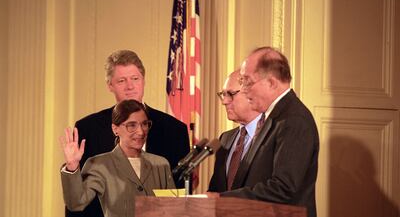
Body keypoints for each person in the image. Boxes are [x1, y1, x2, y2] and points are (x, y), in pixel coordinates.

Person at [67, 50, 190, 217]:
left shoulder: (175, 130)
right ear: (110, 85)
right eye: (121, 81)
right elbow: (77, 199)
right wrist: (71, 168)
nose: (130, 86)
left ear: (144, 81)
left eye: (135, 79)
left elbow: (178, 197)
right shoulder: (88, 128)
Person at [208, 47, 319, 217]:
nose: (244, 90)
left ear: (271, 83)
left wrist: (221, 199)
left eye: (248, 82)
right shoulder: (277, 116)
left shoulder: (293, 119)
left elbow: (283, 188)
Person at [60, 99, 176, 217]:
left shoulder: (161, 165)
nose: (141, 132)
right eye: (132, 125)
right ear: (115, 129)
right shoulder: (99, 165)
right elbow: (76, 203)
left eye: (144, 124)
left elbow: (173, 211)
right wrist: (72, 166)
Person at [208, 69, 262, 192]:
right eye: (223, 94)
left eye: (231, 94)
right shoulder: (225, 139)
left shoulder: (271, 136)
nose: (224, 101)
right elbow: (216, 189)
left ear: (251, 95)